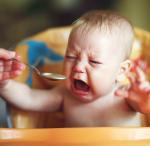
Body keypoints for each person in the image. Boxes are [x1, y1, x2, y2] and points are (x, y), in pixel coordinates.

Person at [0, 10, 150, 127]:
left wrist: (145, 100)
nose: (78, 67)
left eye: (93, 61)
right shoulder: (65, 96)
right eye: (71, 57)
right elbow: (28, 97)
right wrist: (4, 84)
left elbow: (144, 107)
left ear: (121, 70)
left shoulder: (125, 96)